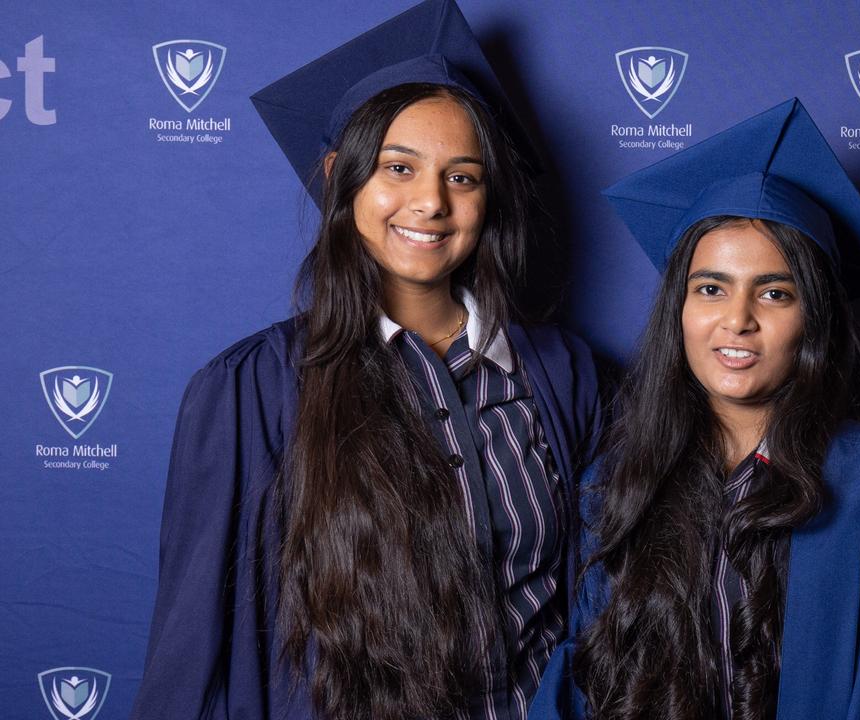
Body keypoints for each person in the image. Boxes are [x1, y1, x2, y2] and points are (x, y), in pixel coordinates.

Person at [130, 3, 600, 720]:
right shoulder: (255, 390)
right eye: (398, 167)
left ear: (490, 195)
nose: (430, 203)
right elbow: (190, 650)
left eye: (463, 176)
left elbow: (597, 605)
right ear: (339, 179)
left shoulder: (562, 375)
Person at [530, 98, 860, 720]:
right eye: (710, 288)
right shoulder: (618, 491)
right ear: (679, 312)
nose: (737, 320)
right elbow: (579, 686)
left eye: (774, 292)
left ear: (815, 320)